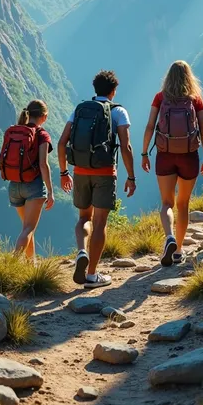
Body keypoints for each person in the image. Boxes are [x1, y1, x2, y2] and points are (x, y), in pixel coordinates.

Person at [58, 70, 136, 289]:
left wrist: (64, 172)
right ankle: (92, 275)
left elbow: (62, 143)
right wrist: (131, 176)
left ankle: (81, 251)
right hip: (105, 172)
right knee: (100, 222)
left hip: (80, 171)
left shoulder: (80, 109)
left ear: (95, 89)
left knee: (84, 218)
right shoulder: (119, 111)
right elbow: (126, 146)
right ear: (113, 91)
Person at [142, 60, 203, 266]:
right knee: (183, 204)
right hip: (189, 156)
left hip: (165, 155)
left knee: (167, 203)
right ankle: (179, 251)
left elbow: (149, 126)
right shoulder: (195, 99)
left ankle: (169, 237)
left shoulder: (160, 97)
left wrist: (144, 153)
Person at [0, 100, 54, 261]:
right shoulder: (41, 134)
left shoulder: (13, 131)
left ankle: (32, 265)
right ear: (44, 116)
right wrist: (50, 191)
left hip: (14, 185)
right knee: (28, 228)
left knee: (27, 228)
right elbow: (43, 164)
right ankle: (12, 263)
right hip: (33, 186)